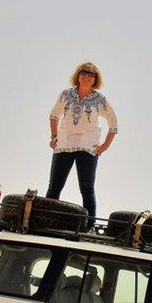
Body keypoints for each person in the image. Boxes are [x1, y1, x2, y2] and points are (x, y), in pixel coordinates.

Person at [47, 61, 118, 228]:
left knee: (86, 189)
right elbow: (53, 115)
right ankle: (45, 220)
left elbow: (113, 123)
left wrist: (104, 146)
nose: (87, 76)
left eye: (91, 74)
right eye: (84, 73)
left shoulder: (99, 100)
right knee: (54, 186)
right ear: (78, 76)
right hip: (64, 144)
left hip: (87, 147)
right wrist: (54, 136)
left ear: (95, 79)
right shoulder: (66, 94)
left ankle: (89, 227)